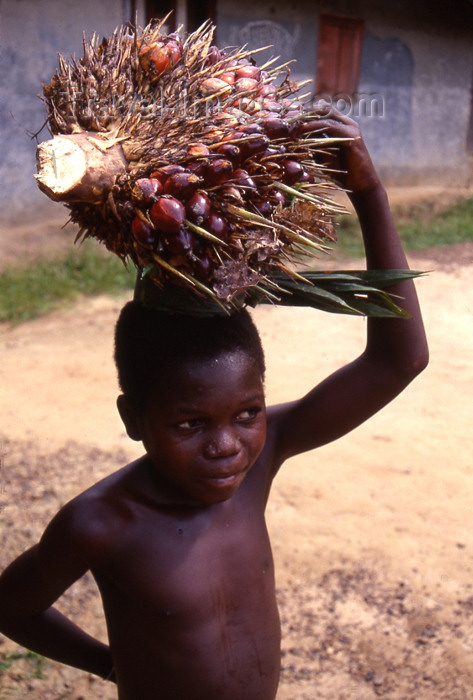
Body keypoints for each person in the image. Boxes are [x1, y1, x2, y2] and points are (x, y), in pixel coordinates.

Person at [0, 108, 428, 700]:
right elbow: (11, 607)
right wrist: (108, 664)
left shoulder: (262, 457)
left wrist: (369, 192)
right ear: (134, 420)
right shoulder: (101, 522)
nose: (227, 445)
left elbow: (397, 361)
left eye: (247, 412)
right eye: (189, 423)